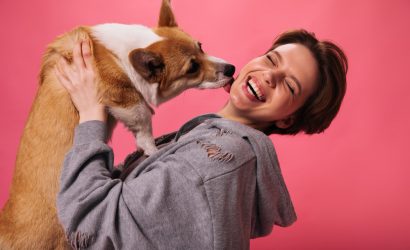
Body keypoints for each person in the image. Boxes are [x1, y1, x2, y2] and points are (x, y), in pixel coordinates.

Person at [54, 29, 347, 249]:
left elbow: (91, 224)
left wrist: (91, 115)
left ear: (288, 119)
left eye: (290, 86)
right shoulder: (213, 142)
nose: (271, 75)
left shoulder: (214, 160)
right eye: (272, 59)